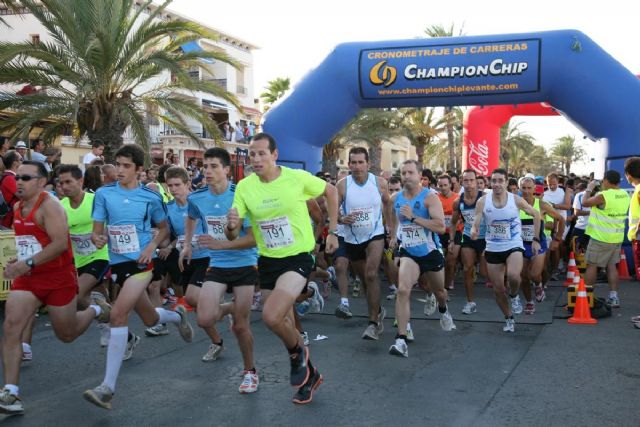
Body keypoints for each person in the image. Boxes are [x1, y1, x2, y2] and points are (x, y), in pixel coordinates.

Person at [225, 133, 339, 404]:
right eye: (252, 154)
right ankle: (310, 375)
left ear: (275, 155)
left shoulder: (295, 178)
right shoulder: (245, 187)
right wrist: (230, 225)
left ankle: (297, 354)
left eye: (261, 153)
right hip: (268, 260)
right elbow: (232, 234)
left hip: (297, 256)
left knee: (271, 316)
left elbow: (331, 191)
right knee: (283, 321)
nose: (256, 159)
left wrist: (333, 231)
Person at [83, 145, 194, 410]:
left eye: (126, 166)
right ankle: (176, 316)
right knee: (150, 318)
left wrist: (151, 246)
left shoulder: (150, 197)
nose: (120, 170)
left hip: (143, 262)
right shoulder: (104, 194)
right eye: (118, 164)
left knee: (118, 313)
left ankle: (107, 388)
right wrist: (97, 238)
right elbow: (97, 231)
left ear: (139, 169)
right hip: (118, 263)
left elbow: (163, 228)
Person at [0, 161, 110, 415]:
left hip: (58, 278)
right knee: (11, 327)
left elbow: (60, 244)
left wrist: (27, 262)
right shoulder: (17, 207)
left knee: (66, 334)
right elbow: (30, 242)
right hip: (28, 279)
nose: (18, 182)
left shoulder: (50, 207)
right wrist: (19, 261)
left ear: (41, 182)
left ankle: (95, 309)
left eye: (25, 178)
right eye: (17, 177)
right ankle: (11, 392)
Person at [180, 149, 260, 393]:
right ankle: (230, 307)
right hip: (218, 264)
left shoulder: (240, 195)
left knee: (241, 326)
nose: (207, 171)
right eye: (205, 166)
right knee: (204, 319)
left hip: (245, 263)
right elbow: (191, 217)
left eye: (214, 166)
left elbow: (253, 239)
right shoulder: (197, 197)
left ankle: (250, 372)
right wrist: (187, 244)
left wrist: (221, 244)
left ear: (226, 170)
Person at [388, 160, 455, 358]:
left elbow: (440, 227)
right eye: (403, 173)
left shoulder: (430, 198)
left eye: (410, 172)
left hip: (430, 252)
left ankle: (443, 309)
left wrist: (413, 218)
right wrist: (394, 236)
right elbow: (393, 219)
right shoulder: (396, 198)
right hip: (409, 252)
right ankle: (401, 339)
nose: (406, 176)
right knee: (402, 290)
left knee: (440, 292)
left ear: (419, 176)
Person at [470, 168, 541, 333]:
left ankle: (514, 296)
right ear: (490, 183)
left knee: (514, 276)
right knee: (498, 289)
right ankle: (508, 317)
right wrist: (474, 230)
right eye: (494, 181)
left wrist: (536, 239)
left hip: (513, 244)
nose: (497, 184)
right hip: (493, 248)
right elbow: (476, 220)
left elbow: (536, 215)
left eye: (500, 180)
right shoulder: (483, 201)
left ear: (507, 182)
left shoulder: (515, 200)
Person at [337, 146, 390, 340]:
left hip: (375, 233)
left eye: (361, 162)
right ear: (348, 164)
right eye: (353, 162)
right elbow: (333, 210)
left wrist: (390, 228)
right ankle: (378, 310)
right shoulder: (343, 185)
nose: (357, 166)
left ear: (368, 163)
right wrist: (341, 219)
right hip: (353, 238)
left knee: (371, 274)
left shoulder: (379, 183)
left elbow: (388, 204)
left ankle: (373, 323)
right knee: (366, 281)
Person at [58, 165, 111, 343]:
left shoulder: (95, 200)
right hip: (78, 260)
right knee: (97, 300)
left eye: (68, 182)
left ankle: (101, 316)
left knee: (78, 294)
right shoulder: (60, 207)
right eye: (61, 183)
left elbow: (111, 222)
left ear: (80, 181)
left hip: (100, 255)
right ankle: (124, 336)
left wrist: (104, 236)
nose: (64, 186)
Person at [582, 170, 631, 307]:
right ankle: (614, 297)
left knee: (592, 265)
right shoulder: (625, 194)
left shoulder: (604, 196)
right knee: (611, 266)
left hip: (600, 237)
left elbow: (584, 202)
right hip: (616, 237)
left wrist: (589, 188)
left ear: (606, 181)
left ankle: (586, 298)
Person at [518, 176, 564, 314]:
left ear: (534, 189)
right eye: (523, 188)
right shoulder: (515, 204)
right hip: (521, 244)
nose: (526, 191)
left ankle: (538, 285)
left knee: (534, 274)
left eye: (529, 188)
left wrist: (557, 238)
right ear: (520, 188)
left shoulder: (542, 205)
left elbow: (560, 219)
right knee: (523, 277)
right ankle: (529, 302)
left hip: (539, 243)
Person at [450, 169, 486, 315]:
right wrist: (451, 240)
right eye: (466, 180)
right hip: (468, 237)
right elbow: (453, 223)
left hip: (485, 238)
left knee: (484, 272)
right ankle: (470, 302)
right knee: (467, 269)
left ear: (476, 182)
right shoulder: (458, 202)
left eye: (472, 180)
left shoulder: (485, 198)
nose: (469, 183)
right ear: (461, 182)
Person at [436, 174, 462, 290]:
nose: (443, 188)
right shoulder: (435, 198)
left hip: (456, 232)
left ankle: (450, 280)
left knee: (451, 260)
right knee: (440, 260)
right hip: (440, 232)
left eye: (445, 185)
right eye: (440, 185)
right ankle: (441, 282)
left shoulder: (458, 198)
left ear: (450, 185)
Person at [1, 150, 22, 228]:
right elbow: (23, 196)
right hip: (8, 222)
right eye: (21, 159)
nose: (22, 161)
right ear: (14, 163)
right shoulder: (9, 178)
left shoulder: (11, 177)